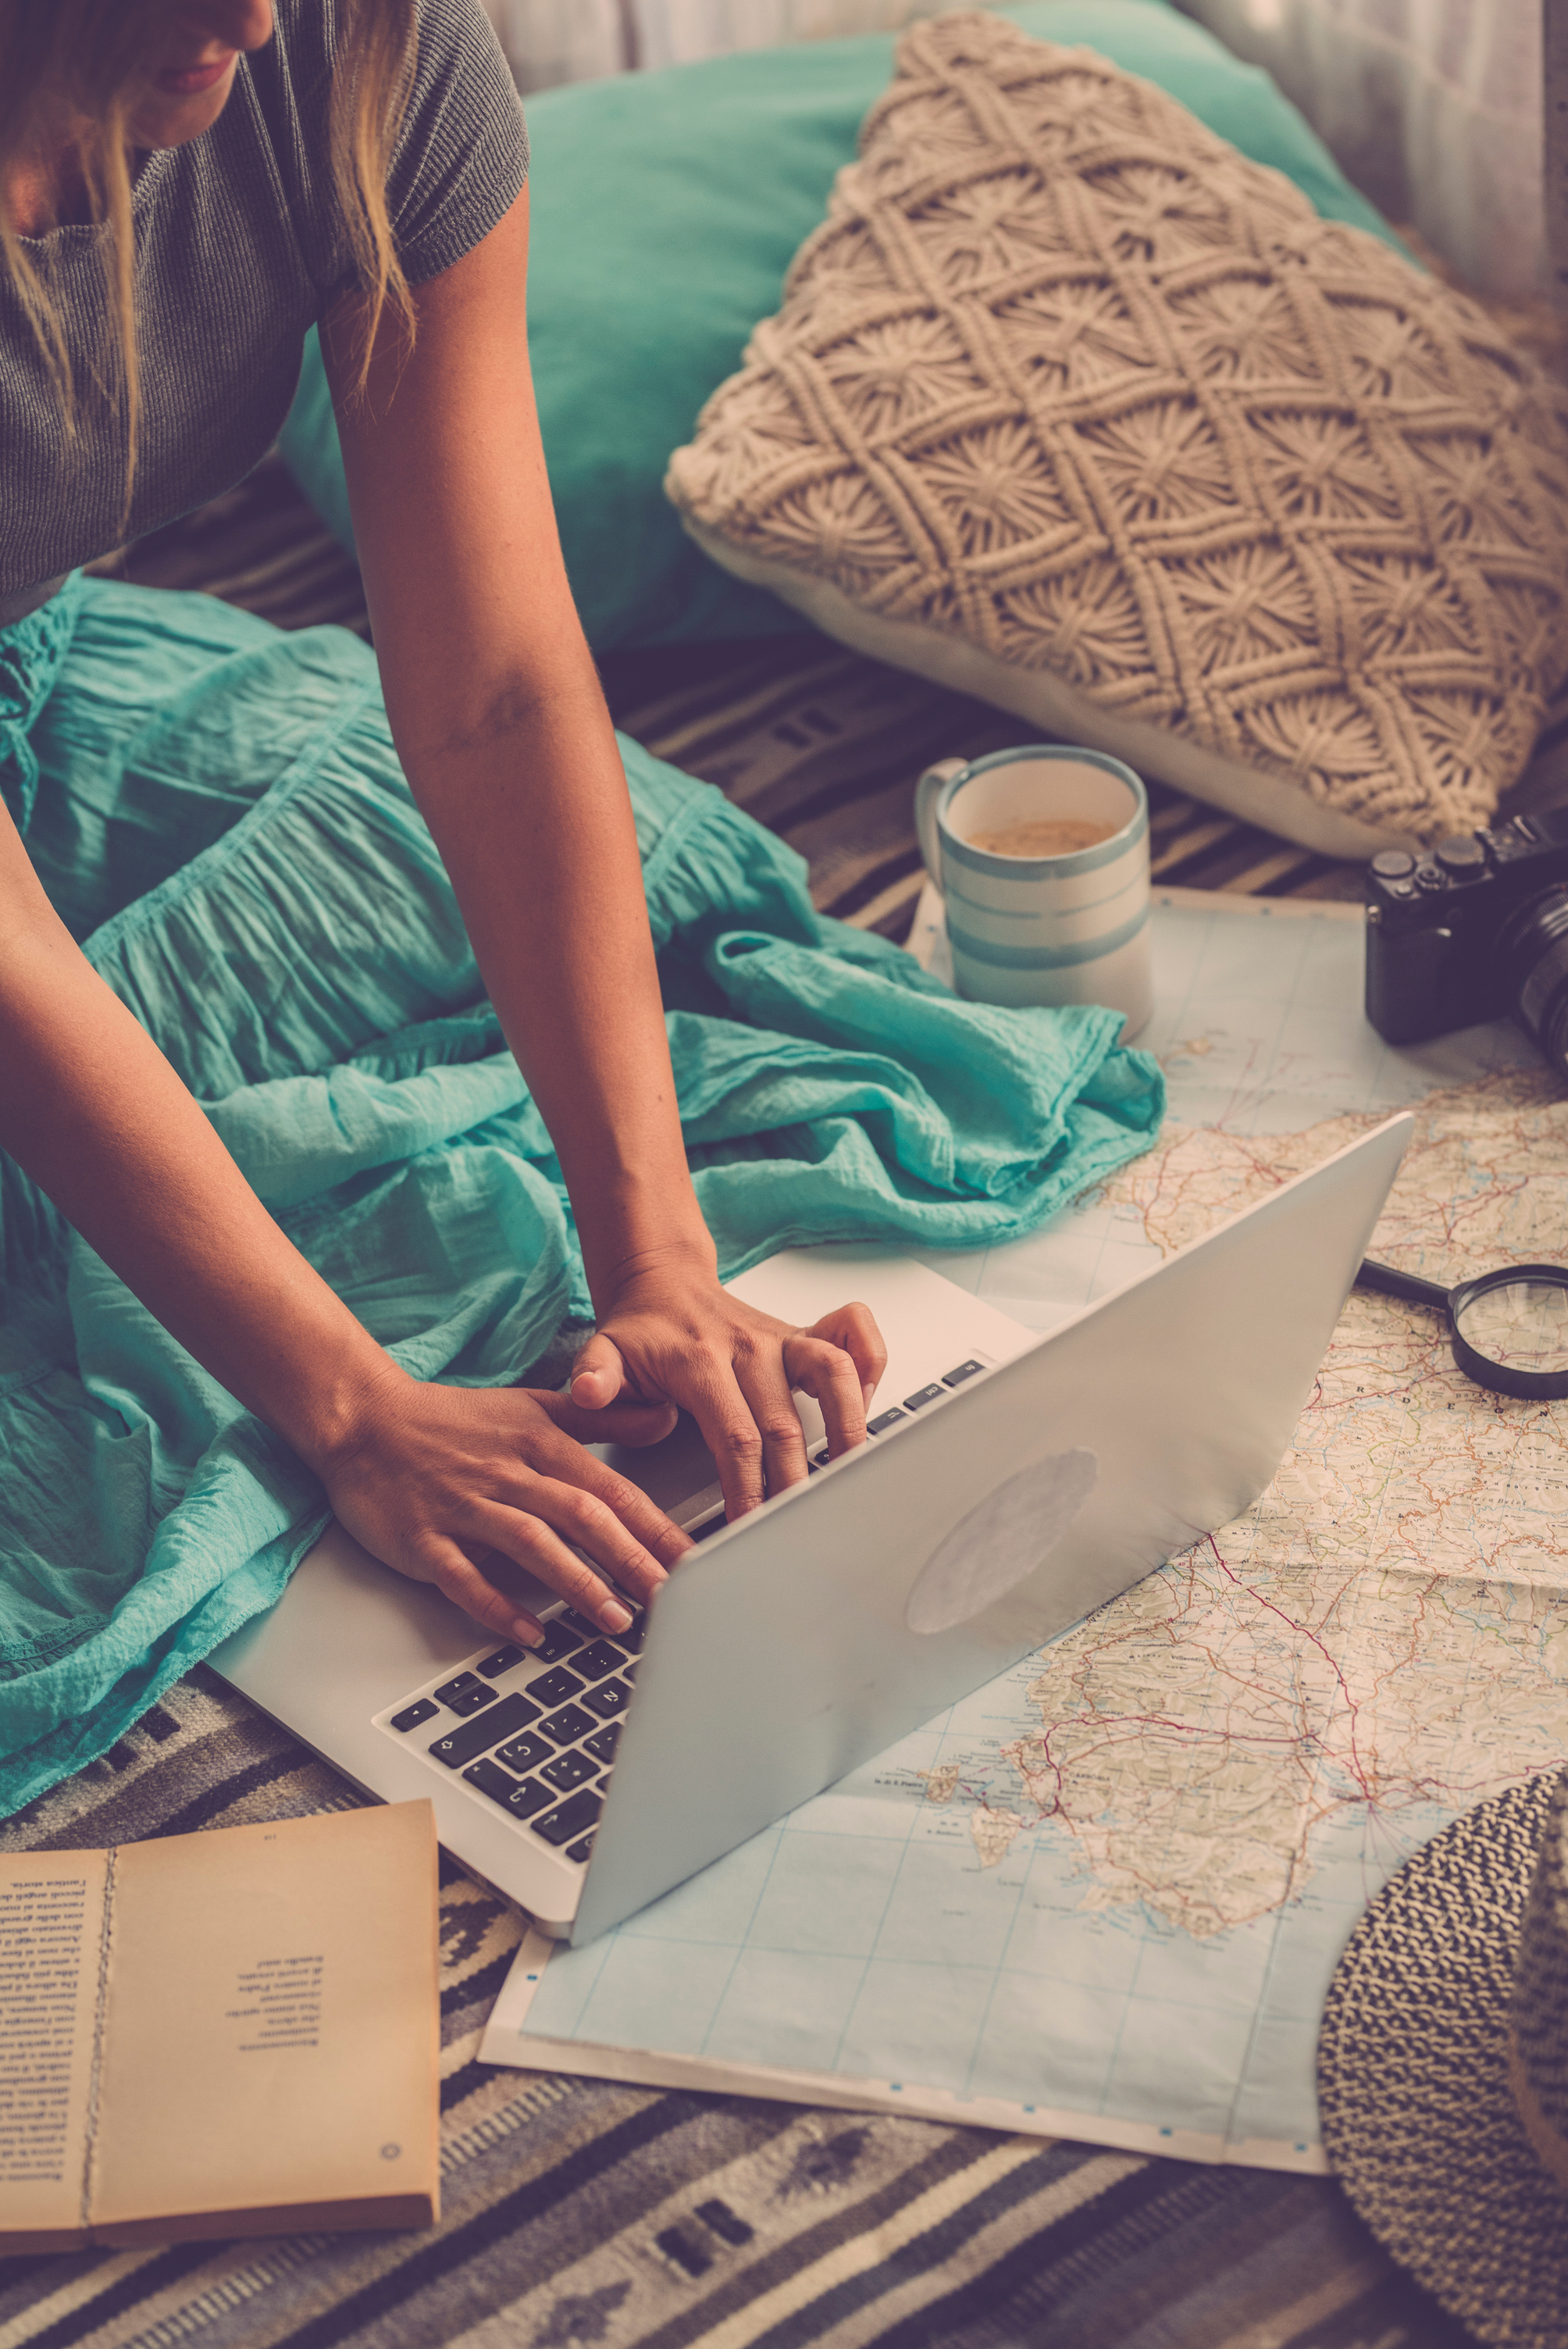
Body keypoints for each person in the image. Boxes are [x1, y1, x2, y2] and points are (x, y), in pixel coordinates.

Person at [0, 0, 886, 1656]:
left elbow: (492, 688)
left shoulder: (358, 38)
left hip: (41, 646)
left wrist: (660, 1255)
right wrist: (353, 1410)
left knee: (680, 892)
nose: (255, 20)